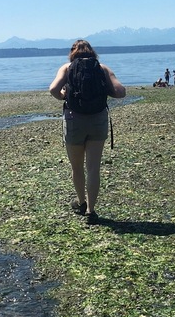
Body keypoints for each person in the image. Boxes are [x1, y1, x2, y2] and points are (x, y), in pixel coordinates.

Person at [49, 40, 126, 224]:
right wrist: (103, 93)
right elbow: (121, 91)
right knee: (93, 168)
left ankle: (81, 202)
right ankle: (91, 211)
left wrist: (63, 95)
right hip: (98, 119)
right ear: (92, 52)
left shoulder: (67, 68)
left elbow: (53, 89)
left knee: (77, 167)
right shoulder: (102, 68)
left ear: (72, 53)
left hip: (74, 119)